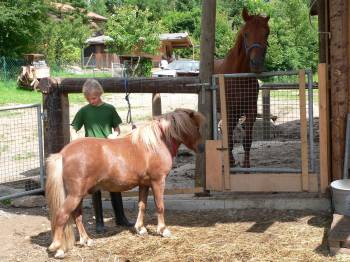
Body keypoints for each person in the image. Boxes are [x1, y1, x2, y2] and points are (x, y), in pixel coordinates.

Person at [71, 79, 133, 233]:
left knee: (115, 184)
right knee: (95, 188)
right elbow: (73, 127)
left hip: (110, 154)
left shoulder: (110, 109)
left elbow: (117, 128)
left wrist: (114, 134)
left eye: (94, 98)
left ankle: (121, 217)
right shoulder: (84, 111)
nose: (92, 101)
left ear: (100, 94)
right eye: (89, 99)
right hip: (92, 155)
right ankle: (99, 222)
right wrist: (75, 138)